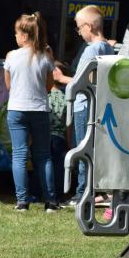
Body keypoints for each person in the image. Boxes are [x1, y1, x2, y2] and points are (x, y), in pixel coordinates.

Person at [56, 6, 114, 203]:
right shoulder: (108, 47)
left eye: (79, 27)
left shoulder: (91, 50)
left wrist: (61, 78)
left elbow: (82, 81)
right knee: (94, 149)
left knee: (82, 149)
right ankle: (93, 190)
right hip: (97, 104)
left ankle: (82, 193)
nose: (78, 32)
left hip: (83, 105)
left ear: (89, 26)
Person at [4, 12, 58, 212]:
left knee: (19, 155)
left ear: (25, 35)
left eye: (17, 33)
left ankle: (22, 201)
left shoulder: (11, 56)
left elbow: (8, 86)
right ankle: (50, 201)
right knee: (43, 155)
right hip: (39, 109)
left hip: (16, 109)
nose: (15, 36)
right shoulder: (45, 57)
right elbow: (49, 87)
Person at [47, 60, 72, 206]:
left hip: (44, 137)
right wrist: (69, 143)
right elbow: (68, 124)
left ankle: (43, 192)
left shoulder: (44, 96)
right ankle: (59, 194)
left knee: (44, 165)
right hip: (60, 138)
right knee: (59, 168)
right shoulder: (66, 98)